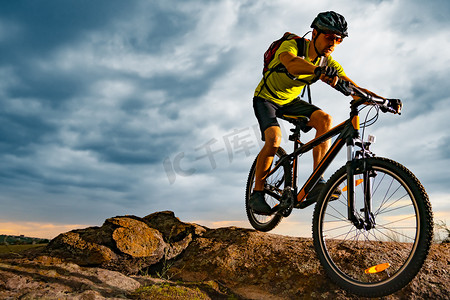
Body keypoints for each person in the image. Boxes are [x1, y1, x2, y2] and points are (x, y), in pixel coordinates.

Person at [250, 11, 382, 215]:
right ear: (314, 33)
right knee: (274, 140)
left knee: (325, 120)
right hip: (266, 99)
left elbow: (353, 87)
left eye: (338, 39)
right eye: (329, 36)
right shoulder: (294, 44)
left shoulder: (328, 63)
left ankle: (316, 182)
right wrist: (316, 71)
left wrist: (381, 100)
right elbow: (291, 63)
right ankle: (257, 193)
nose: (333, 43)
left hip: (291, 102)